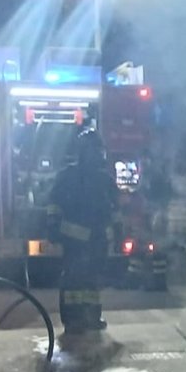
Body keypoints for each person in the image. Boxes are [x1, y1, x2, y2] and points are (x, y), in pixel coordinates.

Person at [48, 129, 118, 333]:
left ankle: (88, 317)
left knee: (89, 282)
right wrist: (53, 228)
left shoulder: (100, 179)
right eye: (96, 150)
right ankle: (74, 320)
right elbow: (55, 205)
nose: (99, 154)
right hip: (78, 241)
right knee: (75, 282)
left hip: (91, 241)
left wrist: (117, 230)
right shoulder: (73, 177)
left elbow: (115, 208)